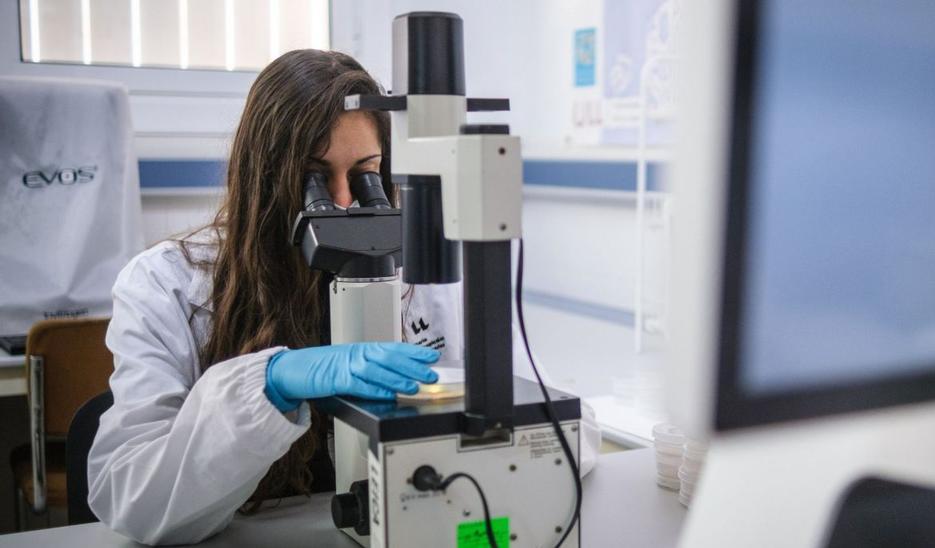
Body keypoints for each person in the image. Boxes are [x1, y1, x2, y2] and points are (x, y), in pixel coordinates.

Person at [86, 50, 600, 545]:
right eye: (313, 177)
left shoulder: (427, 277)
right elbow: (130, 497)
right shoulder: (167, 284)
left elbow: (572, 431)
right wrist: (262, 388)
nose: (344, 203)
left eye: (365, 174)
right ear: (263, 178)